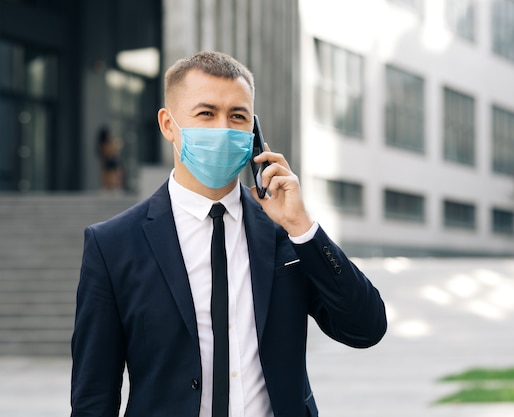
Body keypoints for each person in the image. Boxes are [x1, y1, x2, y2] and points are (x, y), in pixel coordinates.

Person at [71, 51, 387, 417]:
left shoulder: (285, 233)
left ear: (253, 131)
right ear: (168, 124)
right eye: (206, 113)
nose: (223, 128)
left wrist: (302, 228)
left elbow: (366, 328)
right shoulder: (112, 245)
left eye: (237, 116)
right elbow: (94, 397)